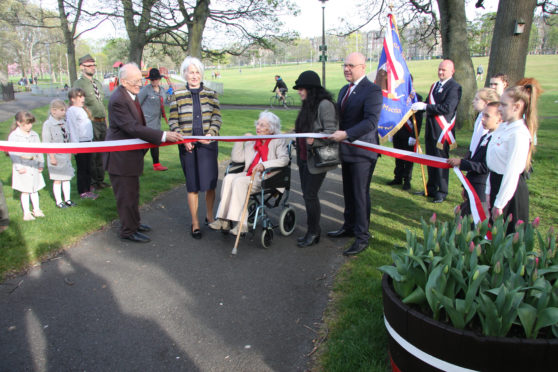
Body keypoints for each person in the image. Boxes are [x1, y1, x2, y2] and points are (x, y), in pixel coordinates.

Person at [104, 63, 183, 243]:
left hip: (129, 157)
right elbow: (132, 127)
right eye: (136, 81)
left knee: (133, 193)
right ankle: (127, 231)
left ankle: (135, 223)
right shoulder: (118, 99)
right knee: (125, 196)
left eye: (140, 80)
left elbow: (138, 124)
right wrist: (162, 135)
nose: (140, 84)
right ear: (123, 81)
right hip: (120, 158)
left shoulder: (130, 94)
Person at [328, 52, 383, 256]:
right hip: (347, 150)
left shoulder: (373, 90)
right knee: (349, 192)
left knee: (360, 195)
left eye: (351, 65)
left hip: (363, 153)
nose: (346, 69)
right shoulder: (344, 90)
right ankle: (349, 226)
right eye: (344, 65)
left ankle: (362, 237)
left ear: (363, 67)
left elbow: (370, 122)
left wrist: (347, 134)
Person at [209, 111, 289, 235]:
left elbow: (284, 160)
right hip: (250, 174)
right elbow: (237, 159)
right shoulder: (253, 141)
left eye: (262, 125)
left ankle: (243, 224)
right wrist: (240, 141)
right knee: (229, 178)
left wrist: (264, 165)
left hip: (267, 177)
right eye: (258, 124)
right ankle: (224, 219)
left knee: (239, 182)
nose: (258, 127)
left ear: (271, 129)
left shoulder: (278, 141)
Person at [169, 56, 222, 240]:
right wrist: (183, 139)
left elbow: (217, 118)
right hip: (188, 146)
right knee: (192, 185)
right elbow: (173, 121)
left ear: (201, 74)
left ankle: (209, 216)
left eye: (197, 72)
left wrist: (211, 133)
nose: (194, 75)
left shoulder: (211, 94)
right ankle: (195, 223)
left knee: (210, 183)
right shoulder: (176, 95)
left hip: (208, 145)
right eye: (190, 72)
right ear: (184, 74)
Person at [292, 70, 339, 247]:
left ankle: (313, 232)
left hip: (316, 159)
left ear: (310, 89)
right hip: (304, 157)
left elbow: (331, 132)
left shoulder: (325, 105)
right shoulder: (307, 104)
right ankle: (313, 230)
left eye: (301, 88)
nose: (298, 91)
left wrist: (315, 140)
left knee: (310, 195)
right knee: (307, 195)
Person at [486, 84, 538, 234]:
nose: (499, 108)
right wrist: (489, 191)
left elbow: (512, 171)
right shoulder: (504, 127)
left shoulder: (519, 134)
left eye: (503, 104)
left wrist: (500, 203)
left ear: (516, 107)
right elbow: (493, 162)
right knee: (496, 235)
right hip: (497, 183)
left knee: (510, 237)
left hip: (510, 190)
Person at [411, 59, 462, 203]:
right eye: (439, 69)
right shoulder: (435, 85)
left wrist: (425, 107)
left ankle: (442, 190)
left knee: (441, 160)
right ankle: (431, 188)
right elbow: (428, 103)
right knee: (430, 159)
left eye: (444, 70)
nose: (440, 72)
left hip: (442, 131)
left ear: (452, 71)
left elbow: (447, 108)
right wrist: (419, 105)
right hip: (430, 128)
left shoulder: (454, 87)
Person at [448, 102, 502, 217]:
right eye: (482, 115)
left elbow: (485, 167)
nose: (482, 119)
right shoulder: (485, 136)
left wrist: (461, 163)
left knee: (476, 222)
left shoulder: (497, 141)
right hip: (472, 185)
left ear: (499, 119)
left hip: (482, 188)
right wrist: (465, 186)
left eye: (487, 116)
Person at [73, 54, 110, 191]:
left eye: (93, 65)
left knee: (101, 153)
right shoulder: (79, 84)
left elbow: (101, 104)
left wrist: (106, 122)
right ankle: (92, 182)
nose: (92, 68)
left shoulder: (97, 84)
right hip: (90, 122)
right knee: (92, 154)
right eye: (89, 65)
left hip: (101, 121)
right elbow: (76, 105)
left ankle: (100, 179)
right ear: (82, 67)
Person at [386, 74, 423, 191]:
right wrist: (391, 132)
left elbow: (419, 120)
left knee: (408, 158)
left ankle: (407, 180)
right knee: (398, 157)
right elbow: (392, 114)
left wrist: (414, 136)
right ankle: (398, 177)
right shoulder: (396, 97)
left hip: (409, 133)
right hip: (398, 132)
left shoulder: (417, 98)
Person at [7, 111, 46, 221]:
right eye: (26, 124)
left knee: (34, 188)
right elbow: (13, 153)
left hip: (34, 164)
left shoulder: (34, 134)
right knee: (25, 190)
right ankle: (27, 212)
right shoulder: (14, 136)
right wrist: (19, 167)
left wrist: (41, 163)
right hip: (23, 166)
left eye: (30, 123)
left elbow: (39, 150)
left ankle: (37, 209)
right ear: (19, 123)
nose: (29, 126)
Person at [41, 99, 77, 208]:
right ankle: (59, 201)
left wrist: (69, 153)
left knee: (66, 178)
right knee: (57, 179)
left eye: (64, 110)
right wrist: (52, 157)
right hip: (56, 156)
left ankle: (68, 199)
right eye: (61, 110)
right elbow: (47, 143)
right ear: (53, 111)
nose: (64, 112)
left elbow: (68, 139)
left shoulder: (64, 123)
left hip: (65, 156)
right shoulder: (48, 125)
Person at [66, 88, 97, 200]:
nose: (82, 98)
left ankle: (88, 186)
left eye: (83, 96)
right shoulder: (72, 111)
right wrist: (75, 146)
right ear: (72, 99)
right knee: (82, 168)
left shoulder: (82, 109)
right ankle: (83, 190)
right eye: (79, 96)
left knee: (88, 167)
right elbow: (73, 129)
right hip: (80, 143)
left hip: (88, 142)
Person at [138, 68, 168, 171]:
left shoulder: (162, 90)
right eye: (152, 79)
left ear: (159, 79)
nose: (154, 81)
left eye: (156, 79)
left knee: (156, 142)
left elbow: (165, 101)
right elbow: (137, 103)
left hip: (157, 122)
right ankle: (134, 164)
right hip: (147, 122)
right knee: (145, 145)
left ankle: (156, 164)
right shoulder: (145, 90)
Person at [469, 88, 500, 157]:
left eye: (477, 99)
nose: (473, 101)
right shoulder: (480, 116)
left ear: (486, 103)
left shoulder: (489, 122)